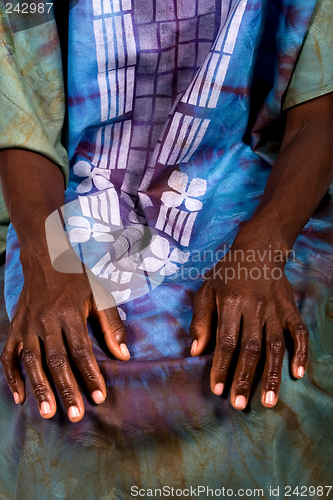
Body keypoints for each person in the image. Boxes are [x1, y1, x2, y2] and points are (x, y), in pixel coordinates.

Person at [0, 0, 333, 497]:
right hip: (65, 195)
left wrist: (262, 249)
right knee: (54, 376)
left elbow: (317, 113)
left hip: (256, 195)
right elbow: (20, 113)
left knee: (275, 367)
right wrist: (47, 260)